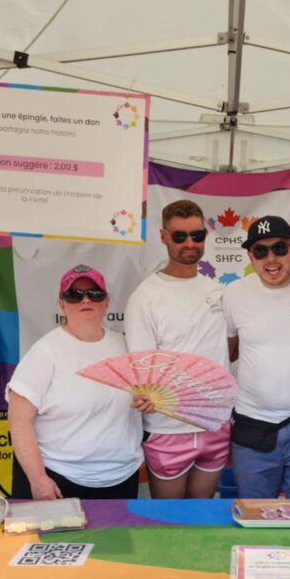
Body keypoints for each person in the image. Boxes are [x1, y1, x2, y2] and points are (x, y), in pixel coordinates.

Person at [7, 264, 143, 499]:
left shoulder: (127, 346)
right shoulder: (45, 352)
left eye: (95, 294)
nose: (85, 300)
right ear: (62, 303)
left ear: (107, 302)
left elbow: (142, 398)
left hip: (121, 478)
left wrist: (146, 402)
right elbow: (18, 419)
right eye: (74, 295)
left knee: (116, 538)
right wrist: (38, 479)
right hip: (59, 478)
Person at [222, 215, 290, 498]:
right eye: (260, 251)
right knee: (255, 519)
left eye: (280, 248)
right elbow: (229, 351)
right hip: (251, 426)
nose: (271, 258)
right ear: (250, 256)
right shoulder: (233, 294)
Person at [125, 200, 230, 498]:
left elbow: (229, 347)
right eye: (179, 236)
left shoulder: (217, 290)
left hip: (215, 425)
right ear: (163, 237)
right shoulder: (145, 297)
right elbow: (143, 369)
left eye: (197, 236)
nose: (189, 243)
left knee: (201, 516)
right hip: (168, 428)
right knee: (169, 521)